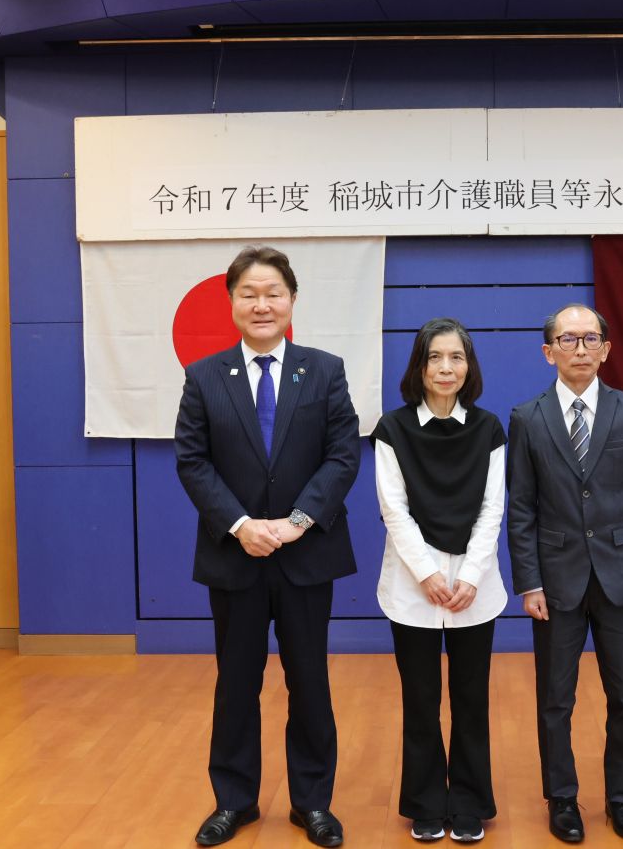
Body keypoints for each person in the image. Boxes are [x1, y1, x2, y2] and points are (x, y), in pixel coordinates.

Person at [175, 245, 360, 848]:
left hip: (306, 554)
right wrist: (241, 525)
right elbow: (193, 462)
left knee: (309, 680)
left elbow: (342, 455)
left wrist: (297, 521)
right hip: (236, 555)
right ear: (231, 303)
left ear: (292, 300)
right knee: (236, 682)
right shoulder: (204, 376)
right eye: (249, 294)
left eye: (272, 293)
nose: (262, 304)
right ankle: (234, 800)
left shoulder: (324, 369)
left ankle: (312, 803)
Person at [507, 304, 623, 844]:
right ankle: (563, 799)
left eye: (590, 339)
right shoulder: (527, 418)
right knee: (556, 698)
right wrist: (528, 581)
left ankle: (621, 799)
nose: (580, 349)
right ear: (548, 351)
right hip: (556, 581)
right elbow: (522, 507)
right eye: (568, 340)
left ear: (607, 349)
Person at [371, 317, 508, 844]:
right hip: (413, 585)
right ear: (420, 367)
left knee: (472, 698)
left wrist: (469, 574)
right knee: (420, 699)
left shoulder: (490, 428)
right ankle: (426, 801)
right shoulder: (393, 428)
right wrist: (429, 574)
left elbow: (493, 508)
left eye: (456, 357)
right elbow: (394, 510)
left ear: (468, 366)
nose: (446, 367)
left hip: (476, 586)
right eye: (435, 358)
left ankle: (470, 800)